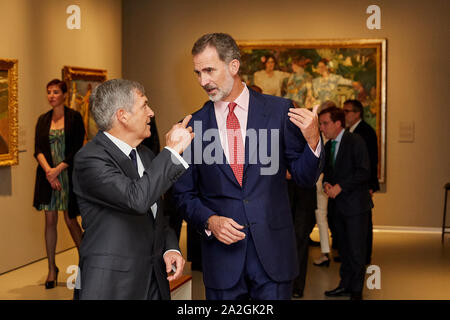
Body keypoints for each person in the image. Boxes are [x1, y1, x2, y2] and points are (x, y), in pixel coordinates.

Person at [173, 33, 323, 300]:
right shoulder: (192, 127)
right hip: (222, 261)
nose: (203, 81)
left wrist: (313, 139)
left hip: (274, 258)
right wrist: (210, 220)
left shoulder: (279, 112)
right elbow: (183, 196)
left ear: (233, 66)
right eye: (197, 73)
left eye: (209, 70)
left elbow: (304, 177)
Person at [72, 79, 194, 300]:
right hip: (112, 285)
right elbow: (136, 198)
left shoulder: (146, 155)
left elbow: (156, 215)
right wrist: (173, 151)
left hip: (154, 280)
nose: (151, 112)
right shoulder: (90, 159)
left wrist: (170, 247)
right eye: (144, 105)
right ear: (123, 115)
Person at [33, 79, 86, 289]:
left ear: (64, 94)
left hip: (67, 175)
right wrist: (49, 172)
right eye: (49, 92)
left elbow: (77, 148)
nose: (51, 96)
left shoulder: (74, 118)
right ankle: (51, 269)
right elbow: (38, 149)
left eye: (55, 92)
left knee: (71, 220)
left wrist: (57, 170)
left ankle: (88, 263)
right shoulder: (43, 120)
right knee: (49, 221)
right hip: (48, 178)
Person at [319, 106, 373, 300]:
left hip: (356, 206)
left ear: (337, 123)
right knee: (343, 249)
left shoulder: (355, 141)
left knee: (356, 250)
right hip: (338, 207)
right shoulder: (328, 145)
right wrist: (326, 184)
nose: (322, 128)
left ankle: (356, 291)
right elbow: (327, 171)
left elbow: (363, 171)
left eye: (325, 124)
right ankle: (345, 284)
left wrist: (340, 187)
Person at [343, 99, 379, 265]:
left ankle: (364, 257)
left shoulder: (365, 132)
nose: (345, 114)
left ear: (357, 113)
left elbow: (370, 160)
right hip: (355, 186)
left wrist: (371, 185)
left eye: (347, 111)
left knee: (363, 224)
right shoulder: (351, 131)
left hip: (363, 186)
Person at [312, 100, 337, 267]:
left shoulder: (339, 136)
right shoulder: (317, 132)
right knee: (321, 216)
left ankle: (327, 252)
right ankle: (326, 251)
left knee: (323, 216)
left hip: (327, 180)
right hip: (321, 179)